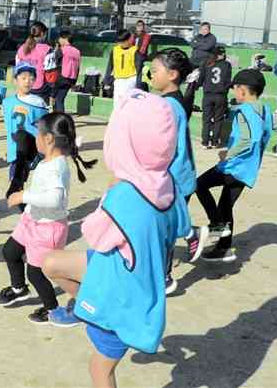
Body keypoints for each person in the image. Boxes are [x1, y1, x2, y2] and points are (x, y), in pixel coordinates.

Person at [41, 90, 178, 388]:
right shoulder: (166, 184)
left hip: (124, 295)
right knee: (50, 262)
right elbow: (178, 227)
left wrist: (112, 190)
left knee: (99, 371)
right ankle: (85, 305)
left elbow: (95, 234)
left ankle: (95, 309)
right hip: (127, 273)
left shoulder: (125, 197)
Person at [0, 112, 95, 324]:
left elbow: (55, 199)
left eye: (38, 134)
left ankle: (52, 308)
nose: (36, 138)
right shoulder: (48, 160)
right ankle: (18, 288)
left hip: (47, 229)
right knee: (10, 251)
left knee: (36, 273)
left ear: (48, 138)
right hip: (31, 221)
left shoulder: (57, 167)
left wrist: (24, 196)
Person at [194, 69, 273, 262]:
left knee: (199, 185)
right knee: (226, 206)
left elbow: (249, 140)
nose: (234, 93)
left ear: (243, 90)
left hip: (234, 166)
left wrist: (226, 154)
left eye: (235, 89)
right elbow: (273, 132)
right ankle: (223, 248)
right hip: (248, 169)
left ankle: (216, 226)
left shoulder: (245, 111)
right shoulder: (265, 110)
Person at [148, 48, 206, 293]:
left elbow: (162, 148)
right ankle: (189, 235)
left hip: (173, 178)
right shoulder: (173, 101)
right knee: (164, 228)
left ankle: (164, 277)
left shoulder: (168, 106)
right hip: (177, 176)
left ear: (172, 74)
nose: (151, 75)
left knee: (162, 231)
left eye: (154, 71)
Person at [2, 62, 48, 198]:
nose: (28, 81)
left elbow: (44, 127)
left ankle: (26, 211)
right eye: (24, 78)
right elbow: (9, 126)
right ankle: (26, 211)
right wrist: (9, 148)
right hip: (14, 149)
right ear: (16, 80)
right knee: (16, 181)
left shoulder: (38, 103)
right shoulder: (7, 102)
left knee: (19, 182)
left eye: (31, 78)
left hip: (30, 148)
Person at [197, 45, 232, 149]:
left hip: (208, 95)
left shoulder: (206, 63)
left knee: (206, 120)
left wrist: (197, 85)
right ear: (218, 54)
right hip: (220, 95)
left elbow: (201, 79)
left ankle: (205, 142)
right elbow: (228, 81)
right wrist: (225, 91)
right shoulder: (226, 65)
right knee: (218, 119)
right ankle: (215, 142)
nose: (224, 55)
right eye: (222, 53)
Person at [16, 21, 53, 101]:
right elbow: (49, 70)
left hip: (23, 85)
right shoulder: (47, 49)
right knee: (40, 111)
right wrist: (52, 89)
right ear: (43, 34)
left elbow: (17, 67)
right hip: (40, 86)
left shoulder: (21, 48)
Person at [184, 22, 218, 109]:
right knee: (190, 83)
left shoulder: (212, 38)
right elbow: (192, 44)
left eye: (206, 29)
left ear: (209, 30)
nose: (203, 31)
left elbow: (207, 47)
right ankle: (188, 102)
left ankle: (208, 105)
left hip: (204, 64)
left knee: (204, 84)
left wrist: (198, 44)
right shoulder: (197, 36)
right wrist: (200, 44)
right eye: (202, 29)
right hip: (193, 62)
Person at [103, 29, 139, 104]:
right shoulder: (115, 50)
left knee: (128, 102)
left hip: (131, 79)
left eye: (123, 41)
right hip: (119, 79)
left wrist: (138, 82)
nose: (121, 43)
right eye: (120, 41)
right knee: (117, 102)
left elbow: (138, 68)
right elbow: (110, 65)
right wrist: (106, 80)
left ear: (129, 39)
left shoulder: (134, 50)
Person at [52, 32, 81, 113]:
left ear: (65, 39)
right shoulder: (77, 51)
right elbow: (78, 68)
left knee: (54, 99)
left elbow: (54, 63)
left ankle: (57, 119)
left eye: (60, 38)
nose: (59, 40)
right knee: (60, 99)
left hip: (60, 78)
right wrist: (74, 82)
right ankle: (59, 118)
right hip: (71, 79)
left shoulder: (61, 50)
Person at [131, 20, 153, 89]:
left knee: (138, 62)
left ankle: (137, 85)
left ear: (143, 27)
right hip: (133, 54)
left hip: (141, 55)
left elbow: (144, 47)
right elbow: (130, 44)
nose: (140, 27)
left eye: (141, 26)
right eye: (138, 25)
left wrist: (137, 53)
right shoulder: (133, 35)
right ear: (136, 27)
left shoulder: (146, 36)